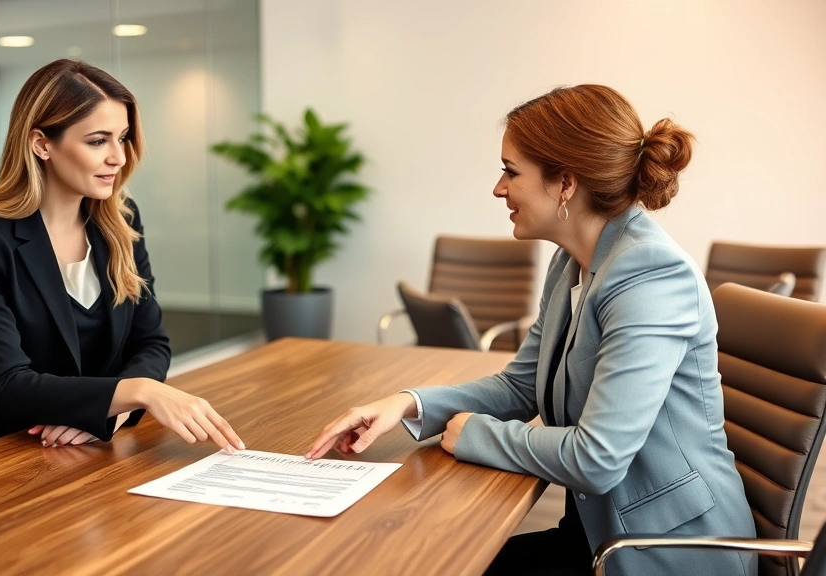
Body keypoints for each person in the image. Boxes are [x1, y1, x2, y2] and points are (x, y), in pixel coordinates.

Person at [306, 85, 756, 576]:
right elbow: (520, 384)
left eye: (510, 171)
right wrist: (407, 404)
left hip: (667, 551)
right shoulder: (572, 262)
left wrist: (475, 433)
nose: (499, 189)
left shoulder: (650, 277)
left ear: (566, 183)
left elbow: (597, 459)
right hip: (599, 531)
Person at [0, 59, 244, 461]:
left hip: (85, 449)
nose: (119, 158)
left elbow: (151, 342)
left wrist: (111, 412)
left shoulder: (121, 220)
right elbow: (8, 384)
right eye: (97, 141)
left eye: (122, 138)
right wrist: (140, 392)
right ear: (42, 144)